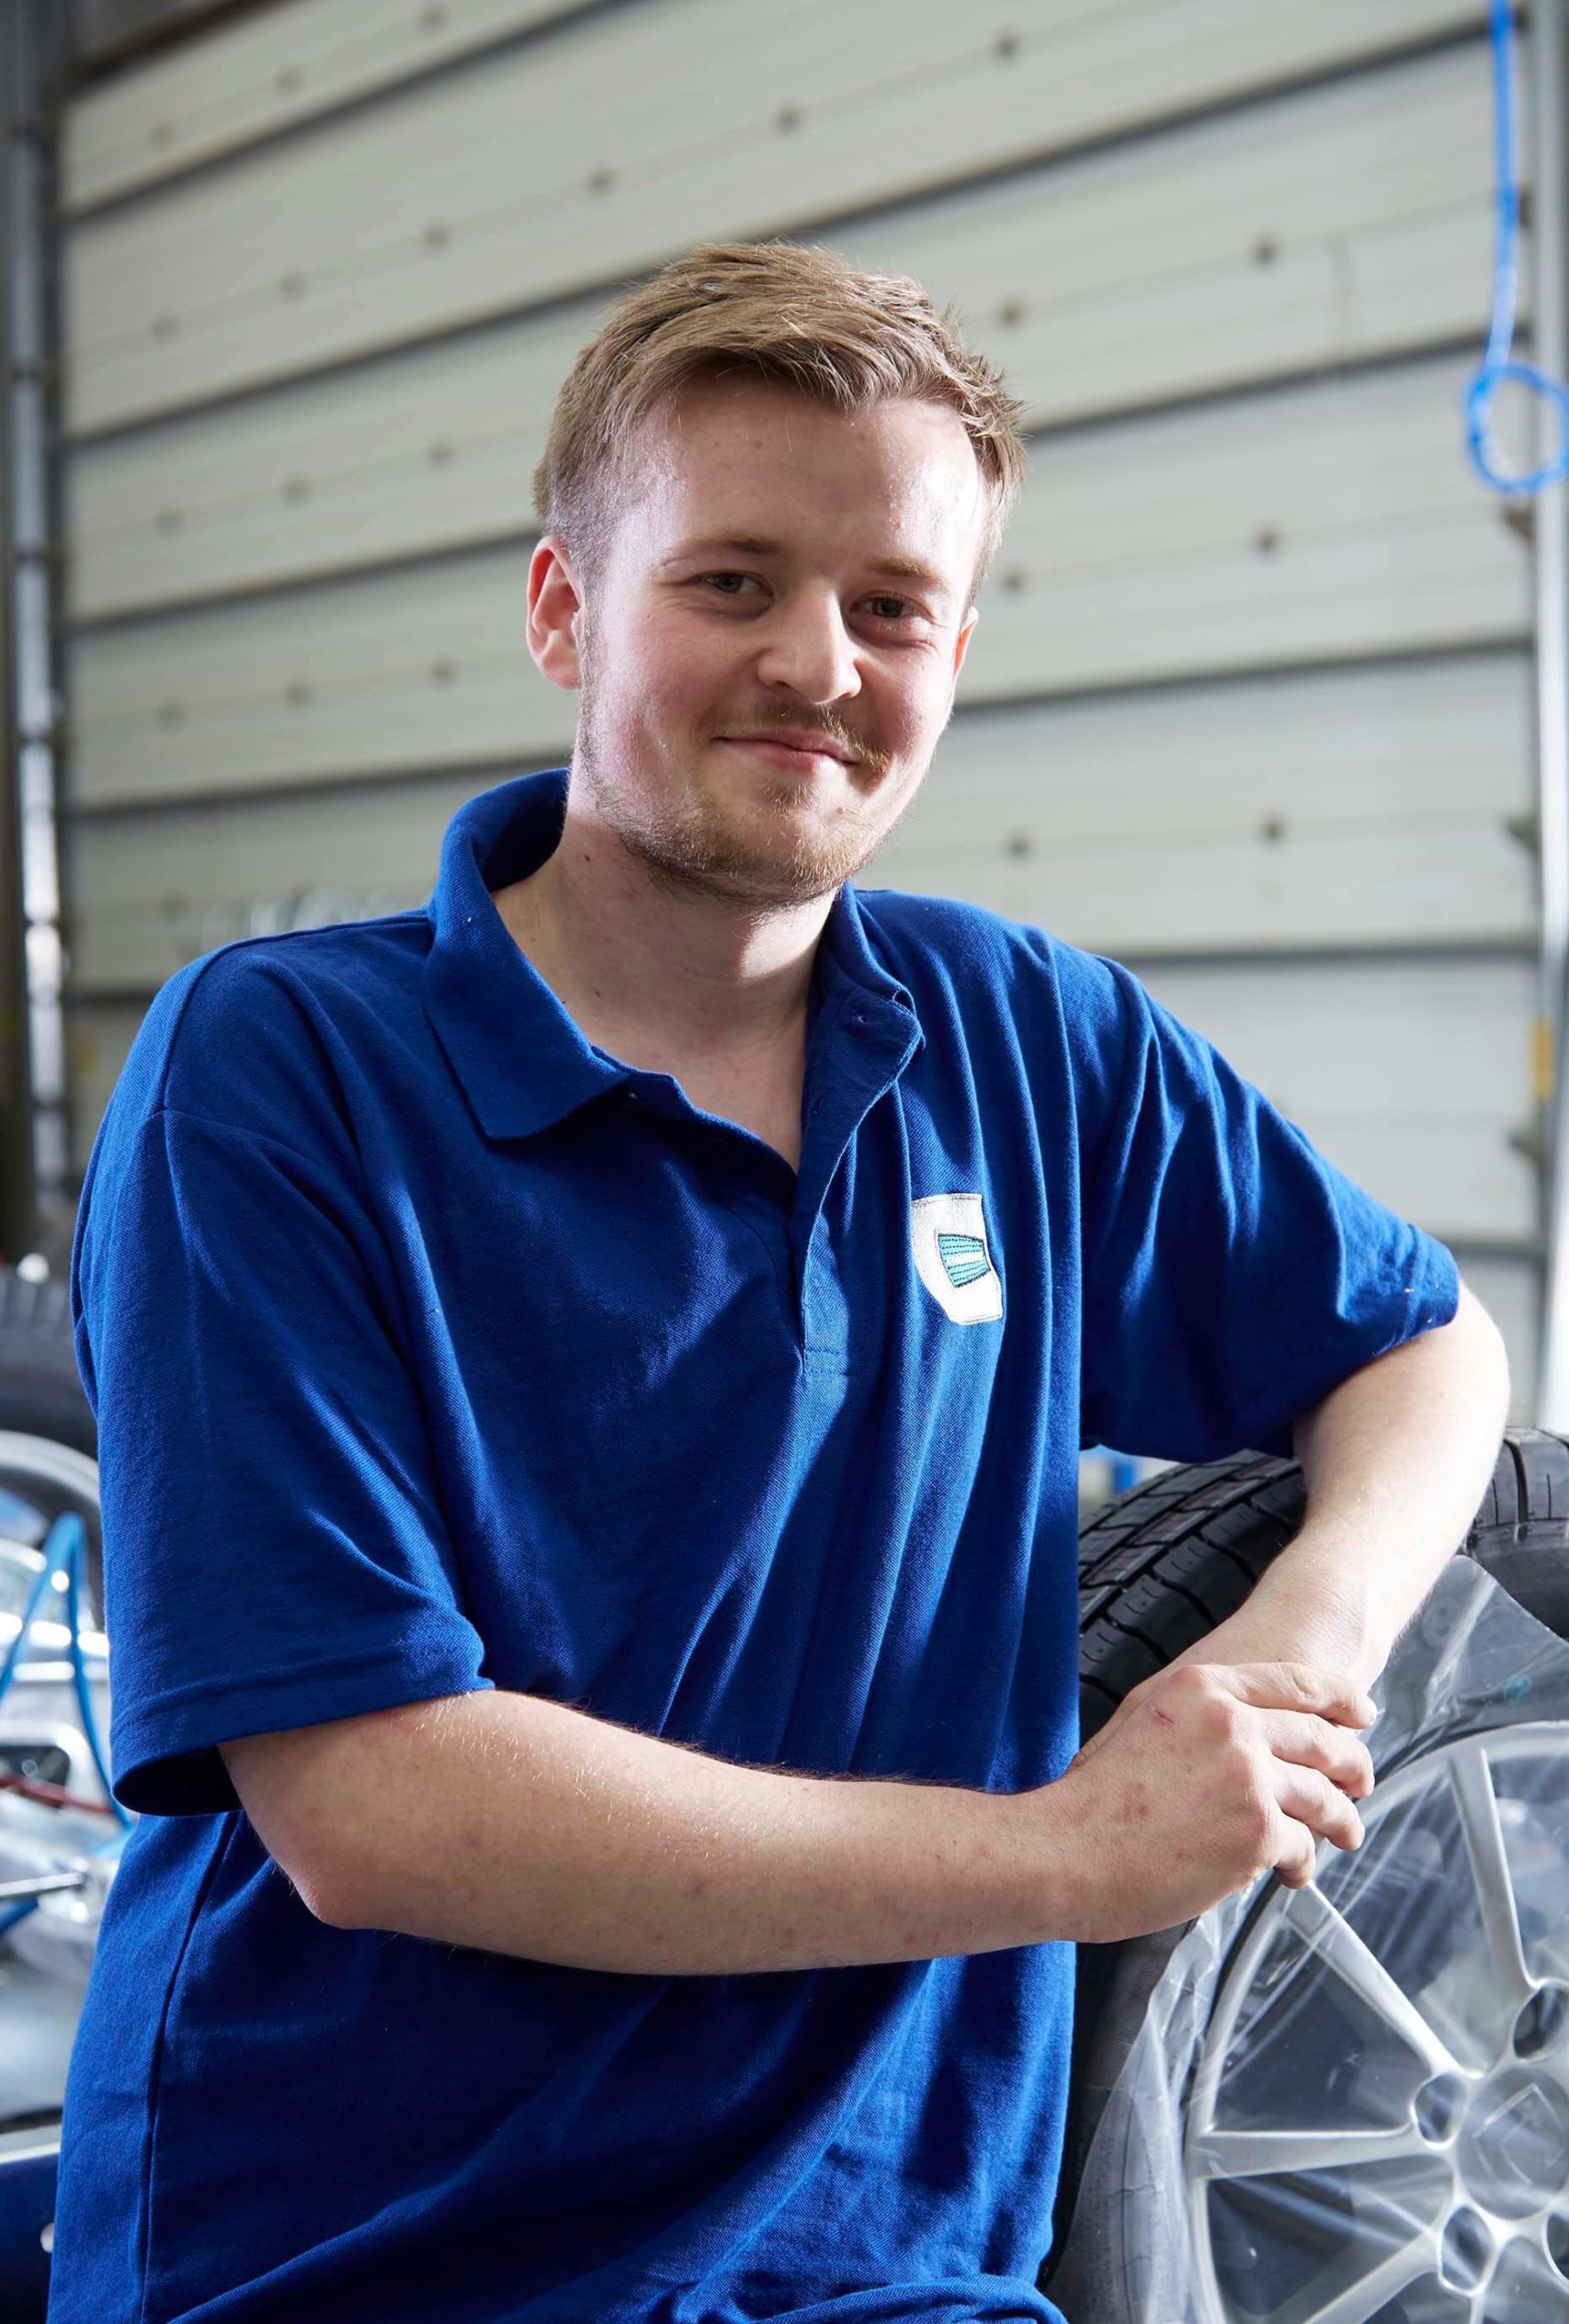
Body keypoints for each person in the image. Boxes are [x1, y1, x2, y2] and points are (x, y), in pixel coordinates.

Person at [49, 238, 1508, 2324]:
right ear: (563, 608)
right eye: (730, 580)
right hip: (362, 2259)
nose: (817, 664)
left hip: (895, 2274)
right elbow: (370, 1799)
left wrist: (1290, 1652)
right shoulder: (282, 1068)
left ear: (956, 648)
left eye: (891, 605)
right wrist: (1081, 1849)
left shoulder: (1026, 1039)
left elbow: (1422, 1345)